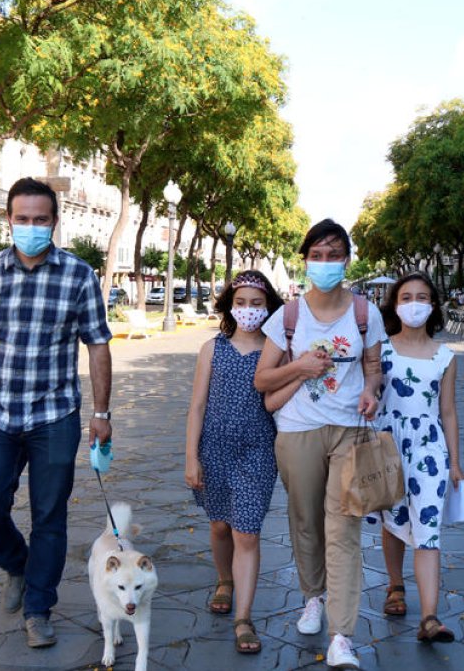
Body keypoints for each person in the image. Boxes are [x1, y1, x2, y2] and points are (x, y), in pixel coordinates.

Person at [0, 177, 113, 649]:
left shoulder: (79, 276)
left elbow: (98, 344)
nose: (32, 227)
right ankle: (18, 565)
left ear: (55, 222)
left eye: (41, 220)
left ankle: (39, 608)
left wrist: (101, 411)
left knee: (50, 515)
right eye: (23, 219)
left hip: (55, 416)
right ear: (9, 221)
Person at [253, 219, 384, 669]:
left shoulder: (366, 312)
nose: (325, 263)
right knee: (306, 521)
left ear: (348, 259)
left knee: (343, 530)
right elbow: (262, 379)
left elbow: (373, 366)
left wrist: (371, 390)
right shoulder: (287, 316)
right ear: (305, 259)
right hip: (297, 431)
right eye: (317, 255)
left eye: (334, 254)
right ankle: (312, 597)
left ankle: (342, 634)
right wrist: (302, 367)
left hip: (349, 431)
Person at [184, 270, 284, 655]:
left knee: (247, 532)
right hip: (214, 449)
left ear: (269, 308)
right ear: (229, 306)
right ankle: (224, 579)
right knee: (220, 525)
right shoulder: (213, 348)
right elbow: (196, 406)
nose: (248, 310)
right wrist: (191, 456)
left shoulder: (276, 352)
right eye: (240, 303)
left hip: (258, 451)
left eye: (256, 304)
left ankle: (244, 617)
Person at [367, 273, 463, 644]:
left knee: (428, 527)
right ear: (395, 304)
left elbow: (449, 411)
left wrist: (454, 462)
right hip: (387, 443)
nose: (414, 303)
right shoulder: (380, 350)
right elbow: (369, 391)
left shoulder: (446, 356)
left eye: (422, 296)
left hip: (429, 449)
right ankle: (395, 586)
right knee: (393, 519)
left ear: (433, 305)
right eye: (406, 296)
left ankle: (430, 617)